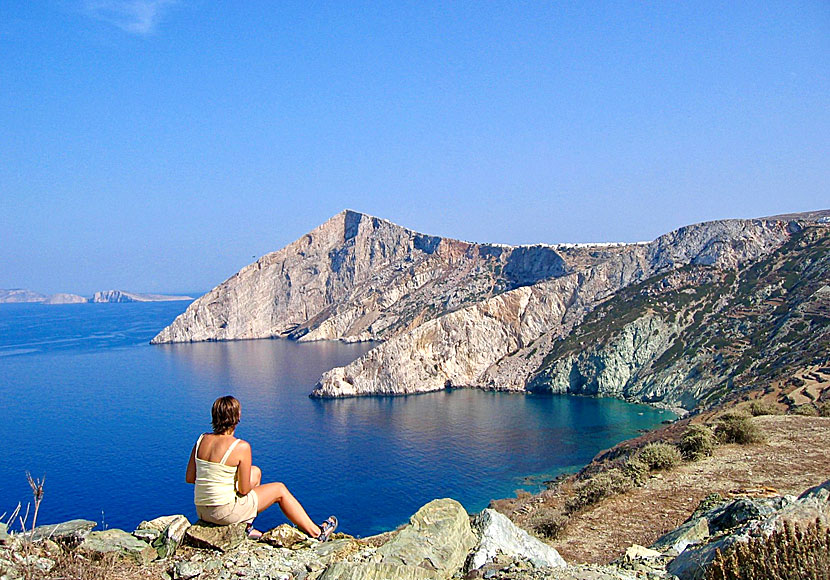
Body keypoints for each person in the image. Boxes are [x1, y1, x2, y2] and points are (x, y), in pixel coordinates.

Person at [186, 395, 337, 540]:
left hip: (202, 511)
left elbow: (190, 478)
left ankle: (247, 528)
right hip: (223, 513)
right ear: (237, 417)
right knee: (279, 490)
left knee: (255, 472)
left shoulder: (201, 440)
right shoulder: (240, 447)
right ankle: (317, 533)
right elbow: (244, 490)